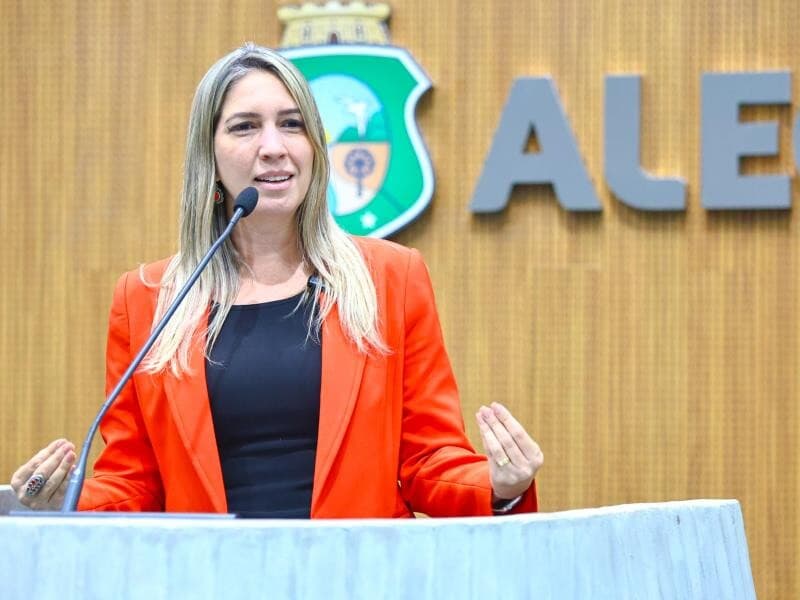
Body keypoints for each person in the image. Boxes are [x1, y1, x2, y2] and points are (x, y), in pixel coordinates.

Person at [10, 44, 543, 517]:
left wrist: (498, 486)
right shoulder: (149, 299)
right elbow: (135, 480)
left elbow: (428, 460)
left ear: (314, 146)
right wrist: (68, 502)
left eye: (292, 124)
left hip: (355, 580)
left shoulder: (391, 279)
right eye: (245, 126)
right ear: (209, 154)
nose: (274, 146)